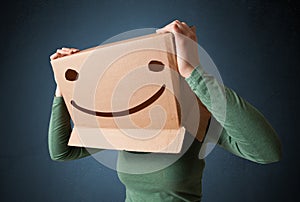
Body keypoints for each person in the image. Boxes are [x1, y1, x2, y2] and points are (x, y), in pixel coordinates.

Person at [48, 20, 282, 201]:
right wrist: (64, 88)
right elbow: (62, 152)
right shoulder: (127, 117)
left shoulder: (196, 115)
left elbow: (267, 152)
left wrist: (192, 69)